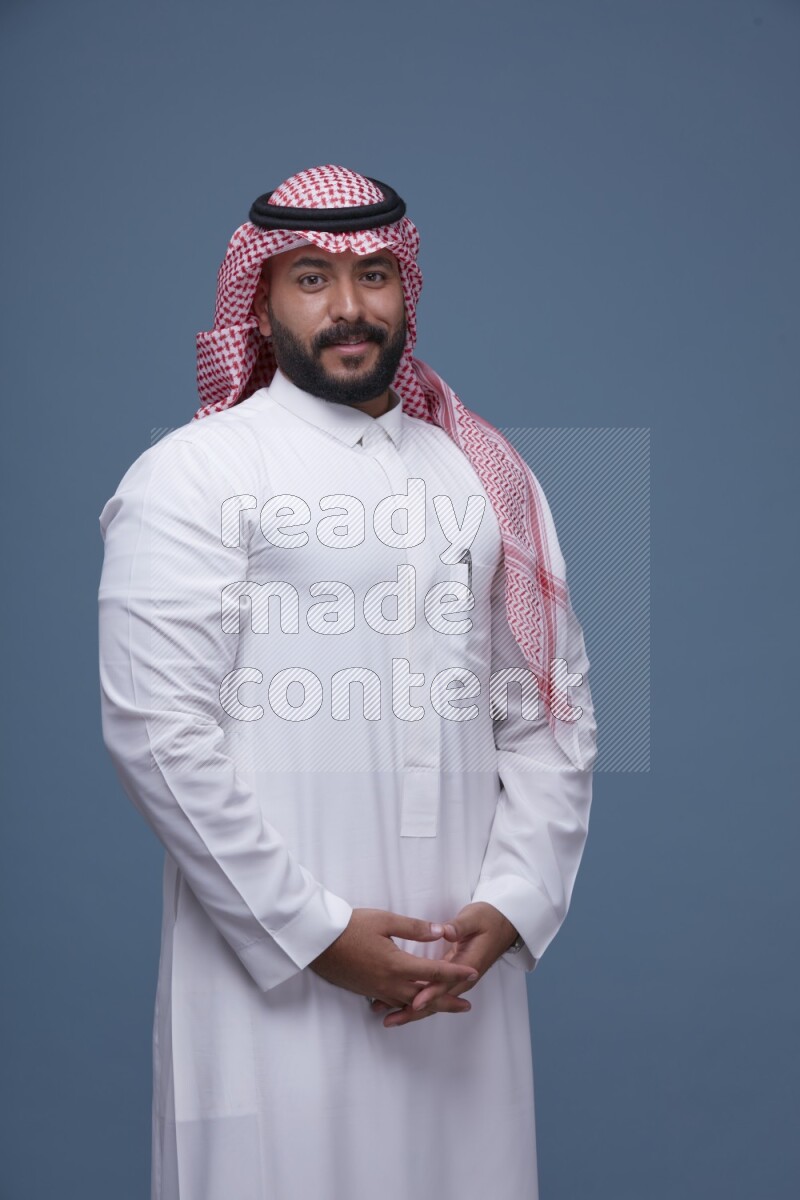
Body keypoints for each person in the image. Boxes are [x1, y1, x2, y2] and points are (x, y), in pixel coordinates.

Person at [98, 164, 597, 1200]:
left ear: (406, 287)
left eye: (373, 274)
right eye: (311, 279)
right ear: (262, 299)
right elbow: (157, 733)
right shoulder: (194, 475)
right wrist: (317, 935)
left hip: (458, 978)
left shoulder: (482, 473)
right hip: (273, 974)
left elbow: (549, 713)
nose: (349, 307)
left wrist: (506, 907)